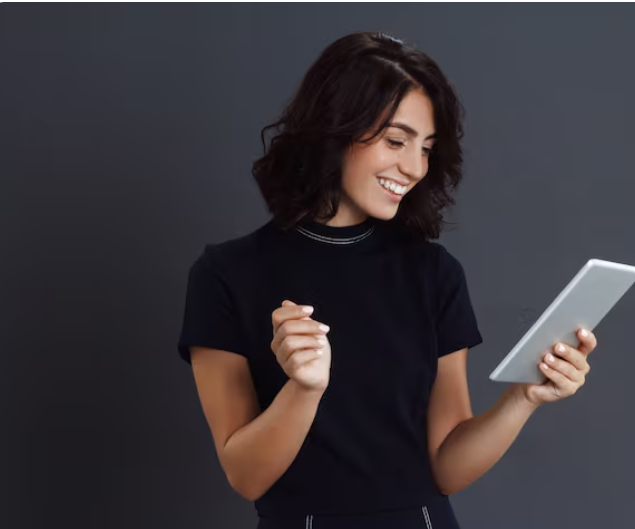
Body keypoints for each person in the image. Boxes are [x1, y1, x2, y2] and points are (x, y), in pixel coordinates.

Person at [176, 31, 596, 529]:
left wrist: (524, 397)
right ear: (333, 128)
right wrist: (303, 390)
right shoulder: (227, 275)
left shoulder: (433, 273)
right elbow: (246, 476)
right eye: (396, 141)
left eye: (427, 148)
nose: (414, 167)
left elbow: (446, 467)